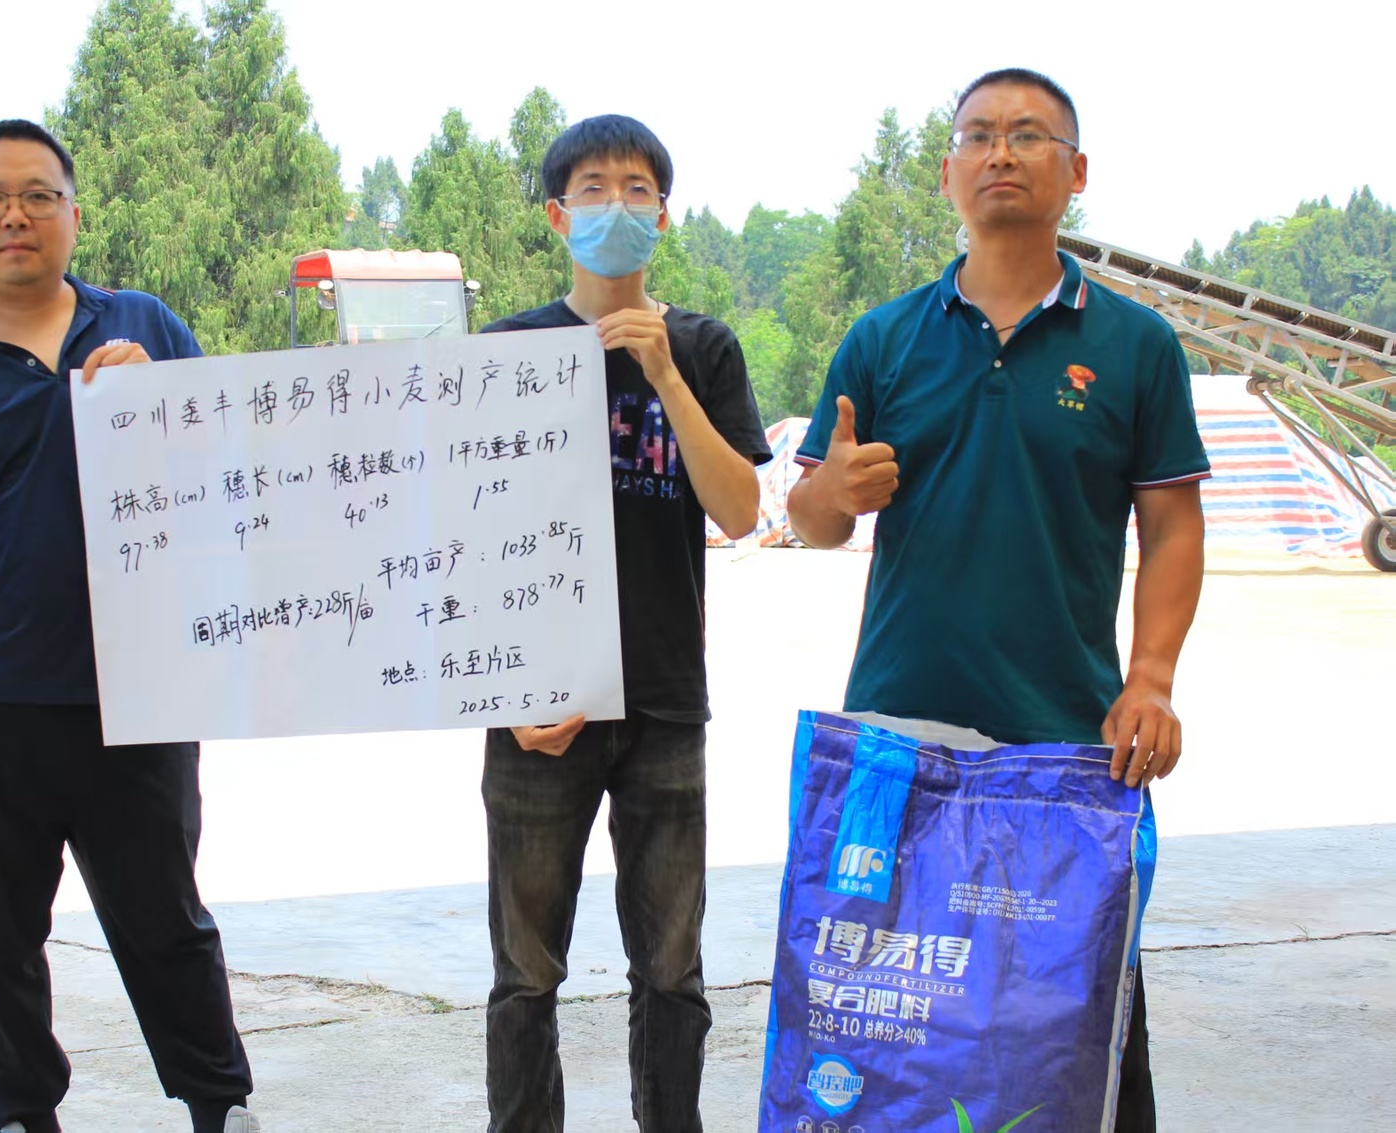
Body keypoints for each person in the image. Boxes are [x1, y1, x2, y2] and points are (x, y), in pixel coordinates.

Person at [786, 69, 1209, 1132]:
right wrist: (833, 494)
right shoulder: (884, 339)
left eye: (1028, 135)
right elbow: (810, 516)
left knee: (1076, 1017)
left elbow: (1171, 525)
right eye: (977, 135)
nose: (1000, 153)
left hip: (1068, 745)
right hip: (902, 737)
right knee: (891, 1019)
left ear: (1076, 171)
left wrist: (1151, 678)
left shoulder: (1134, 345)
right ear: (947, 174)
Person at [0, 120, 259, 1133]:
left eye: (38, 194)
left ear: (74, 212)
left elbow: (234, 475)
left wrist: (160, 404)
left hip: (139, 695)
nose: (15, 215)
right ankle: (20, 1114)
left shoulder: (146, 325)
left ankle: (220, 1104)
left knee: (165, 921)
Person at [478, 115, 771, 1132]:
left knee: (671, 966)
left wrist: (664, 376)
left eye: (636, 189)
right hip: (538, 712)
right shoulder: (506, 352)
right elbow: (465, 537)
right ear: (558, 216)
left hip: (662, 699)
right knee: (525, 970)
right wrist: (508, 690)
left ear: (662, 216)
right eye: (593, 189)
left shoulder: (702, 347)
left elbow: (739, 510)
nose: (616, 205)